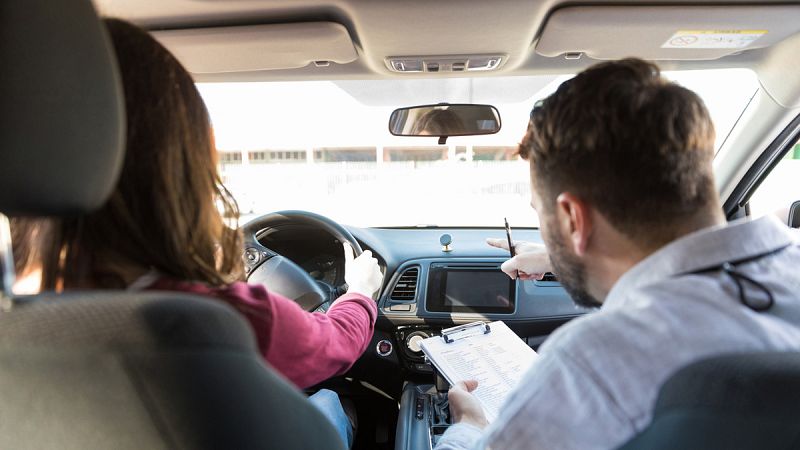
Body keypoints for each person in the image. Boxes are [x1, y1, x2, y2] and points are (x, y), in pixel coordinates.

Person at [14, 18, 381, 448]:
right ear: (186, 166)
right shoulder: (224, 321)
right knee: (332, 406)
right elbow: (335, 345)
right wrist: (359, 294)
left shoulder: (15, 310)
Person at [436, 58, 800, 449]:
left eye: (540, 214)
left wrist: (468, 427)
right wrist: (557, 256)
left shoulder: (592, 362)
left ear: (574, 218)